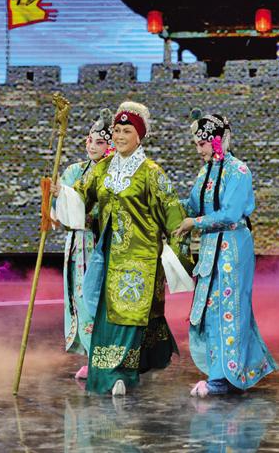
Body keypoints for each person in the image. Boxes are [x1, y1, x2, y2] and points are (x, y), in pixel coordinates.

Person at [52, 101, 191, 396]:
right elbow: (80, 198)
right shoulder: (102, 169)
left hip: (139, 258)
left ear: (139, 136)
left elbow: (173, 214)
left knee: (128, 315)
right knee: (103, 311)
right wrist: (61, 194)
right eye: (116, 130)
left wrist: (177, 255)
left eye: (126, 131)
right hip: (107, 256)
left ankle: (119, 374)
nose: (119, 136)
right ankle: (120, 368)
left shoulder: (152, 173)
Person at [172, 110, 277, 397]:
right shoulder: (205, 172)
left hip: (232, 247)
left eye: (202, 144)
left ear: (217, 140)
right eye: (196, 144)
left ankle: (221, 377)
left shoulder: (238, 171)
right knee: (211, 309)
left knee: (228, 309)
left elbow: (230, 214)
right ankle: (225, 372)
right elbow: (192, 205)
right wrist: (165, 204)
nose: (199, 150)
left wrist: (195, 223)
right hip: (211, 247)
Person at [51, 108, 112, 380]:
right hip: (77, 243)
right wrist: (56, 197)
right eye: (89, 140)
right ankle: (91, 355)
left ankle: (107, 356)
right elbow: (61, 210)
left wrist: (71, 199)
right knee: (77, 298)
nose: (92, 146)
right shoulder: (74, 171)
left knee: (96, 299)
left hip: (100, 242)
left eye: (99, 142)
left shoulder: (112, 173)